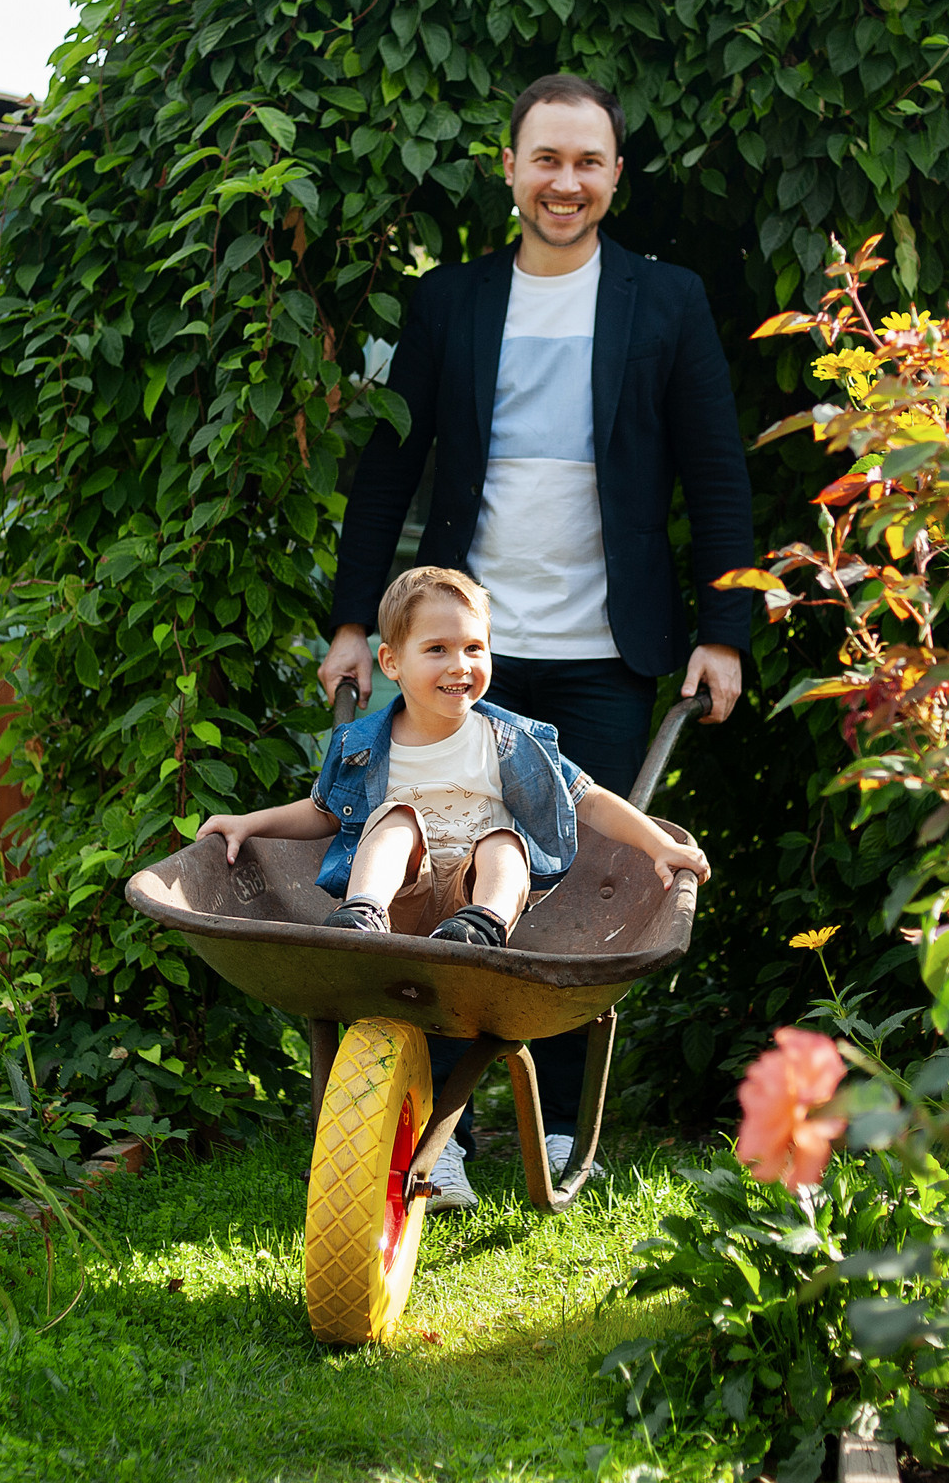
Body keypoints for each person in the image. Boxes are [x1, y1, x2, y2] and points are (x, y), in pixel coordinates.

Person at [316, 72, 756, 1211]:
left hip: (607, 646)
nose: (565, 182)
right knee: (433, 868)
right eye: (545, 160)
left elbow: (715, 471)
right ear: (506, 169)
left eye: (588, 162)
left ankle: (554, 1124)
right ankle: (435, 1122)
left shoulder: (664, 302)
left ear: (615, 175)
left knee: (565, 881)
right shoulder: (451, 305)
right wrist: (356, 622)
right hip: (459, 662)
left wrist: (725, 631)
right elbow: (388, 474)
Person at [198, 564, 709, 941]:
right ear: (391, 661)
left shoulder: (508, 740)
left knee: (505, 841)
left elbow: (589, 799)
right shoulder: (363, 747)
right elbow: (321, 813)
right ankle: (362, 916)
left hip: (472, 895)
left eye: (473, 648)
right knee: (395, 817)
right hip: (401, 897)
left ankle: (484, 926)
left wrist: (657, 844)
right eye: (437, 649)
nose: (459, 665)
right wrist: (249, 823)